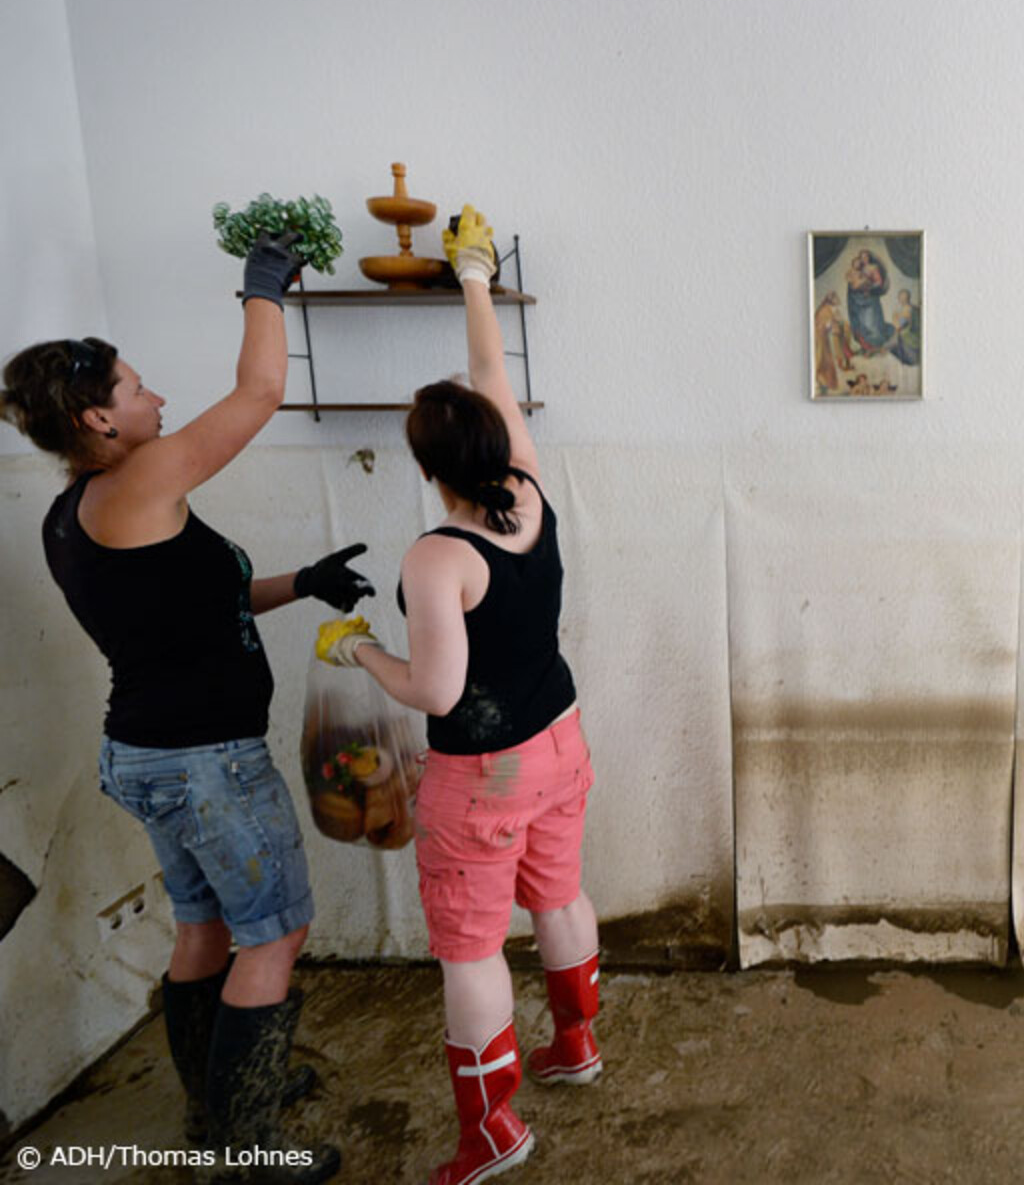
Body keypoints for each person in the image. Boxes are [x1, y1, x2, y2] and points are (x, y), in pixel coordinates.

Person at [1, 232, 369, 1183]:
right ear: (99, 417)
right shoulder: (140, 481)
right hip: (206, 764)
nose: (157, 397)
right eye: (136, 388)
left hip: (150, 756)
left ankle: (220, 1102)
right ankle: (247, 1150)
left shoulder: (82, 508)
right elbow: (256, 397)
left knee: (206, 930)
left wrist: (303, 583)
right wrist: (261, 291)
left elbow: (196, 605)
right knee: (276, 932)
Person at [316, 206, 602, 1185]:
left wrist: (360, 650)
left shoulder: (439, 555)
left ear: (429, 468)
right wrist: (473, 275)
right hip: (561, 739)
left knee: (470, 952)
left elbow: (433, 688)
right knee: (559, 895)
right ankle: (578, 1046)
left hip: (482, 776)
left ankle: (494, 1134)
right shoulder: (530, 490)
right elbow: (494, 384)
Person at [845, 249, 895, 353]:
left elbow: (879, 283)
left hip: (870, 300)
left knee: (871, 323)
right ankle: (866, 346)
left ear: (869, 257)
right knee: (862, 323)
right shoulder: (859, 269)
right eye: (861, 257)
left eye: (865, 257)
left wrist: (869, 288)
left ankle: (876, 346)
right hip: (859, 300)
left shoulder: (873, 268)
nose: (863, 259)